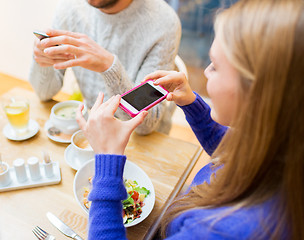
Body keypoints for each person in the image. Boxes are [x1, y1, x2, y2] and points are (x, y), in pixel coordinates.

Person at [75, 0, 304, 239]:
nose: (205, 71)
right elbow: (230, 150)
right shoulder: (282, 149)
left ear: (257, 91)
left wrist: (107, 160)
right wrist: (193, 105)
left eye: (215, 65)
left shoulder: (219, 230)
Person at [29, 0, 181, 135]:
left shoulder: (164, 22)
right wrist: (43, 59)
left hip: (146, 142)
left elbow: (144, 127)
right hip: (92, 128)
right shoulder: (71, 7)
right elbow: (44, 94)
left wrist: (109, 67)